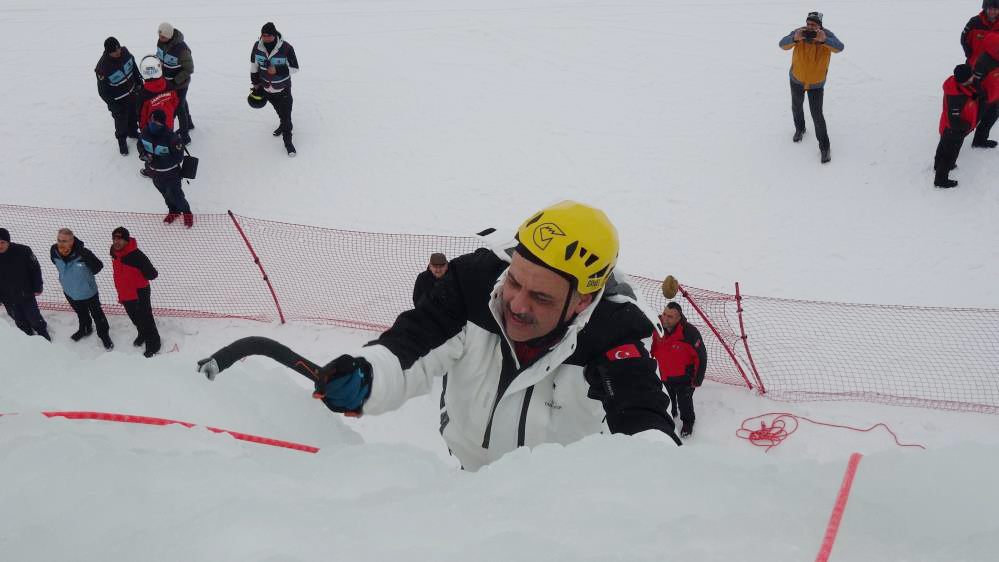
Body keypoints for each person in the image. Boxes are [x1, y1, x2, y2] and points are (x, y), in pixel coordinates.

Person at [234, 201, 681, 471]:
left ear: (582, 301)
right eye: (515, 281)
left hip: (546, 503)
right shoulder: (473, 285)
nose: (518, 304)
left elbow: (642, 413)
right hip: (464, 469)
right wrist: (369, 375)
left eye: (541, 298)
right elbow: (414, 342)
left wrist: (656, 473)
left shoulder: (614, 333)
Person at [779, 12, 845, 164]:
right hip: (797, 79)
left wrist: (824, 40)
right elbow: (782, 44)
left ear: (820, 26)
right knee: (796, 107)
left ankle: (825, 147)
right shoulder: (799, 32)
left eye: (813, 25)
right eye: (808, 24)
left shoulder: (827, 35)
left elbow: (840, 47)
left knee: (817, 115)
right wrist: (794, 38)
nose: (810, 28)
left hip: (816, 83)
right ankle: (800, 129)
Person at [50, 229, 114, 349]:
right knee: (81, 313)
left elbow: (98, 267)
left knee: (97, 315)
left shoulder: (83, 253)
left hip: (88, 292)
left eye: (64, 241)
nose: (60, 243)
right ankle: (85, 329)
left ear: (72, 241)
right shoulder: (54, 251)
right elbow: (56, 263)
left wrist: (87, 260)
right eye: (59, 240)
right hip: (69, 291)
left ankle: (104, 335)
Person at [650, 302, 706, 438]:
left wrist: (697, 380)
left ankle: (688, 422)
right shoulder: (655, 326)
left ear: (678, 318)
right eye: (664, 314)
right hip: (664, 375)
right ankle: (671, 411)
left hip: (684, 378)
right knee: (667, 398)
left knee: (684, 403)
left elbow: (701, 356)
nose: (665, 318)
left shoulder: (689, 333)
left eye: (670, 316)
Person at [251, 22, 300, 156]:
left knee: (286, 116)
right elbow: (254, 65)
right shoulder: (257, 46)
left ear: (274, 35)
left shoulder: (286, 48)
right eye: (263, 35)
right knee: (279, 111)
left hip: (283, 89)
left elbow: (295, 68)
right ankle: (283, 125)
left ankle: (288, 142)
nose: (265, 38)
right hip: (266, 88)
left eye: (268, 35)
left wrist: (277, 70)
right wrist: (255, 83)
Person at [110, 227, 160, 357]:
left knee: (146, 318)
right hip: (125, 292)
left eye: (120, 238)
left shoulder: (137, 256)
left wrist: (142, 273)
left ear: (127, 240)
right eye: (115, 238)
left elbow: (153, 274)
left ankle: (154, 343)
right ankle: (142, 333)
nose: (117, 241)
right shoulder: (114, 252)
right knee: (135, 318)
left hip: (139, 293)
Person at [139, 109, 194, 227]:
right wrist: (143, 154)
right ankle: (173, 211)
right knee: (165, 194)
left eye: (155, 121)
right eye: (151, 120)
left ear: (162, 123)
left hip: (171, 174)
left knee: (177, 195)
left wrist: (159, 159)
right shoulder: (145, 132)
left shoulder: (172, 138)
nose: (152, 123)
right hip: (154, 173)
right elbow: (140, 145)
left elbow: (179, 157)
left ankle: (187, 213)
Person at [0, 228, 51, 341]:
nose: (0, 245)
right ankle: (27, 336)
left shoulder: (23, 251)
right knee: (18, 319)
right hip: (7, 298)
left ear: (8, 241)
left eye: (2, 242)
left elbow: (35, 269)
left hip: (25, 294)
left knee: (34, 317)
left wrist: (38, 286)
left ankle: (43, 335)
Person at [934, 65, 979, 188]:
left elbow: (966, 94)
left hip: (948, 128)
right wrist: (967, 126)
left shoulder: (958, 85)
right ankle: (941, 180)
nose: (973, 77)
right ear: (964, 80)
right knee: (949, 155)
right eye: (971, 76)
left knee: (943, 146)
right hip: (954, 130)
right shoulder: (955, 98)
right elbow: (955, 121)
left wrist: (973, 95)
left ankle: (937, 165)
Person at [95, 37, 139, 155]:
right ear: (109, 52)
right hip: (119, 101)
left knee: (134, 115)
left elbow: (134, 68)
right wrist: (114, 106)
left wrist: (139, 83)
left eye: (118, 48)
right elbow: (103, 92)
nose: (118, 52)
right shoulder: (102, 68)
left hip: (132, 93)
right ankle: (122, 141)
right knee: (121, 122)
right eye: (115, 51)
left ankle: (133, 132)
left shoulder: (125, 52)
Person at [156, 22, 194, 144]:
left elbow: (189, 69)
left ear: (169, 35)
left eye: (163, 37)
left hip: (180, 84)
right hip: (167, 82)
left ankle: (185, 136)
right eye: (159, 36)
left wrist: (175, 81)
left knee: (179, 108)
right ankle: (190, 123)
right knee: (182, 103)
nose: (160, 38)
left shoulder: (182, 49)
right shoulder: (161, 43)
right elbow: (160, 57)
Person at [135, 56, 180, 136]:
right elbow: (175, 103)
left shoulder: (143, 95)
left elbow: (142, 116)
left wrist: (143, 131)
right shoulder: (169, 86)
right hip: (168, 125)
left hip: (152, 130)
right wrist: (171, 116)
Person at [971, 32, 999, 148]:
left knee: (991, 119)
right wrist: (982, 96)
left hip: (996, 96)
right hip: (984, 98)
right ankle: (951, 139)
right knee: (971, 122)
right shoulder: (983, 61)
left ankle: (980, 140)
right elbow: (975, 82)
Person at [962, 1, 999, 68]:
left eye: (995, 9)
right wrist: (969, 55)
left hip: (995, 67)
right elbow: (964, 38)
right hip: (973, 65)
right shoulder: (975, 22)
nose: (992, 12)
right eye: (990, 9)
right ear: (985, 8)